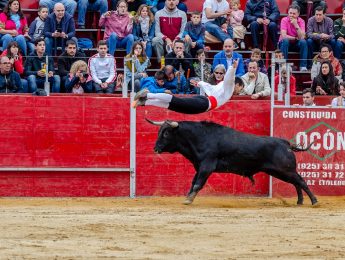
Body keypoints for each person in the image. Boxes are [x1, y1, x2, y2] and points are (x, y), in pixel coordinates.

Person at [132, 59, 238, 114]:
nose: (239, 90)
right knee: (176, 102)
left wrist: (199, 83)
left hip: (204, 104)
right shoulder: (229, 88)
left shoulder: (220, 86)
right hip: (205, 104)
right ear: (237, 84)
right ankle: (148, 95)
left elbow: (209, 87)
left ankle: (145, 102)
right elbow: (230, 80)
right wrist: (232, 69)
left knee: (174, 106)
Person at [278, 4, 308, 72]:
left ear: (298, 14)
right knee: (285, 40)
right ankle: (283, 65)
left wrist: (296, 24)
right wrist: (295, 38)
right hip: (285, 43)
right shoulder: (284, 20)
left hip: (296, 44)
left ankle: (303, 66)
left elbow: (302, 37)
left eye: (294, 13)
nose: (291, 15)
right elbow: (284, 35)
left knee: (303, 42)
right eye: (290, 13)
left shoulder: (301, 21)